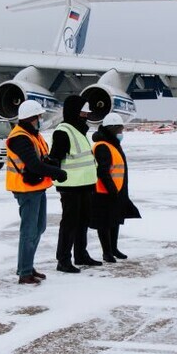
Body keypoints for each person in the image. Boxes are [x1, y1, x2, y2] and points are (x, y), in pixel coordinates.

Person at [6, 100, 67, 285]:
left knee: (38, 228)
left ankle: (27, 266)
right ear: (31, 118)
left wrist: (52, 164)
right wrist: (57, 172)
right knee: (29, 231)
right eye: (38, 117)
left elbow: (41, 158)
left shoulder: (32, 135)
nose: (40, 120)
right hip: (26, 189)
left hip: (37, 187)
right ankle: (24, 272)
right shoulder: (20, 138)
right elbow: (33, 164)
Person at [48, 95, 100, 273]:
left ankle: (81, 254)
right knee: (69, 224)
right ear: (75, 112)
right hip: (70, 187)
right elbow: (55, 158)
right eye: (84, 112)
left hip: (85, 185)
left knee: (83, 221)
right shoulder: (63, 131)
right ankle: (63, 260)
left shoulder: (79, 131)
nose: (86, 115)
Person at [90, 113, 141, 263]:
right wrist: (112, 190)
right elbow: (103, 172)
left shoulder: (113, 145)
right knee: (104, 223)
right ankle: (107, 252)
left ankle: (114, 248)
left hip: (116, 191)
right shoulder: (103, 146)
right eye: (119, 130)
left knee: (115, 220)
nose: (121, 133)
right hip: (104, 192)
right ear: (112, 129)